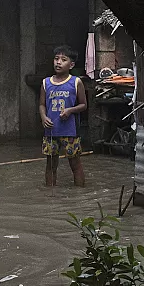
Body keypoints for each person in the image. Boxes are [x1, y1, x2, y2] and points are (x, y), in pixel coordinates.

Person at [40, 46, 87, 188]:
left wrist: (70, 110)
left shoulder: (76, 82)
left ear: (71, 65)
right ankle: (50, 195)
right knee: (50, 165)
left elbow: (84, 105)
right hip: (51, 131)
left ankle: (80, 193)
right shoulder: (46, 83)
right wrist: (43, 117)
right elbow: (42, 104)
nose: (58, 62)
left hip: (70, 131)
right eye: (56, 59)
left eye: (63, 60)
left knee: (75, 164)